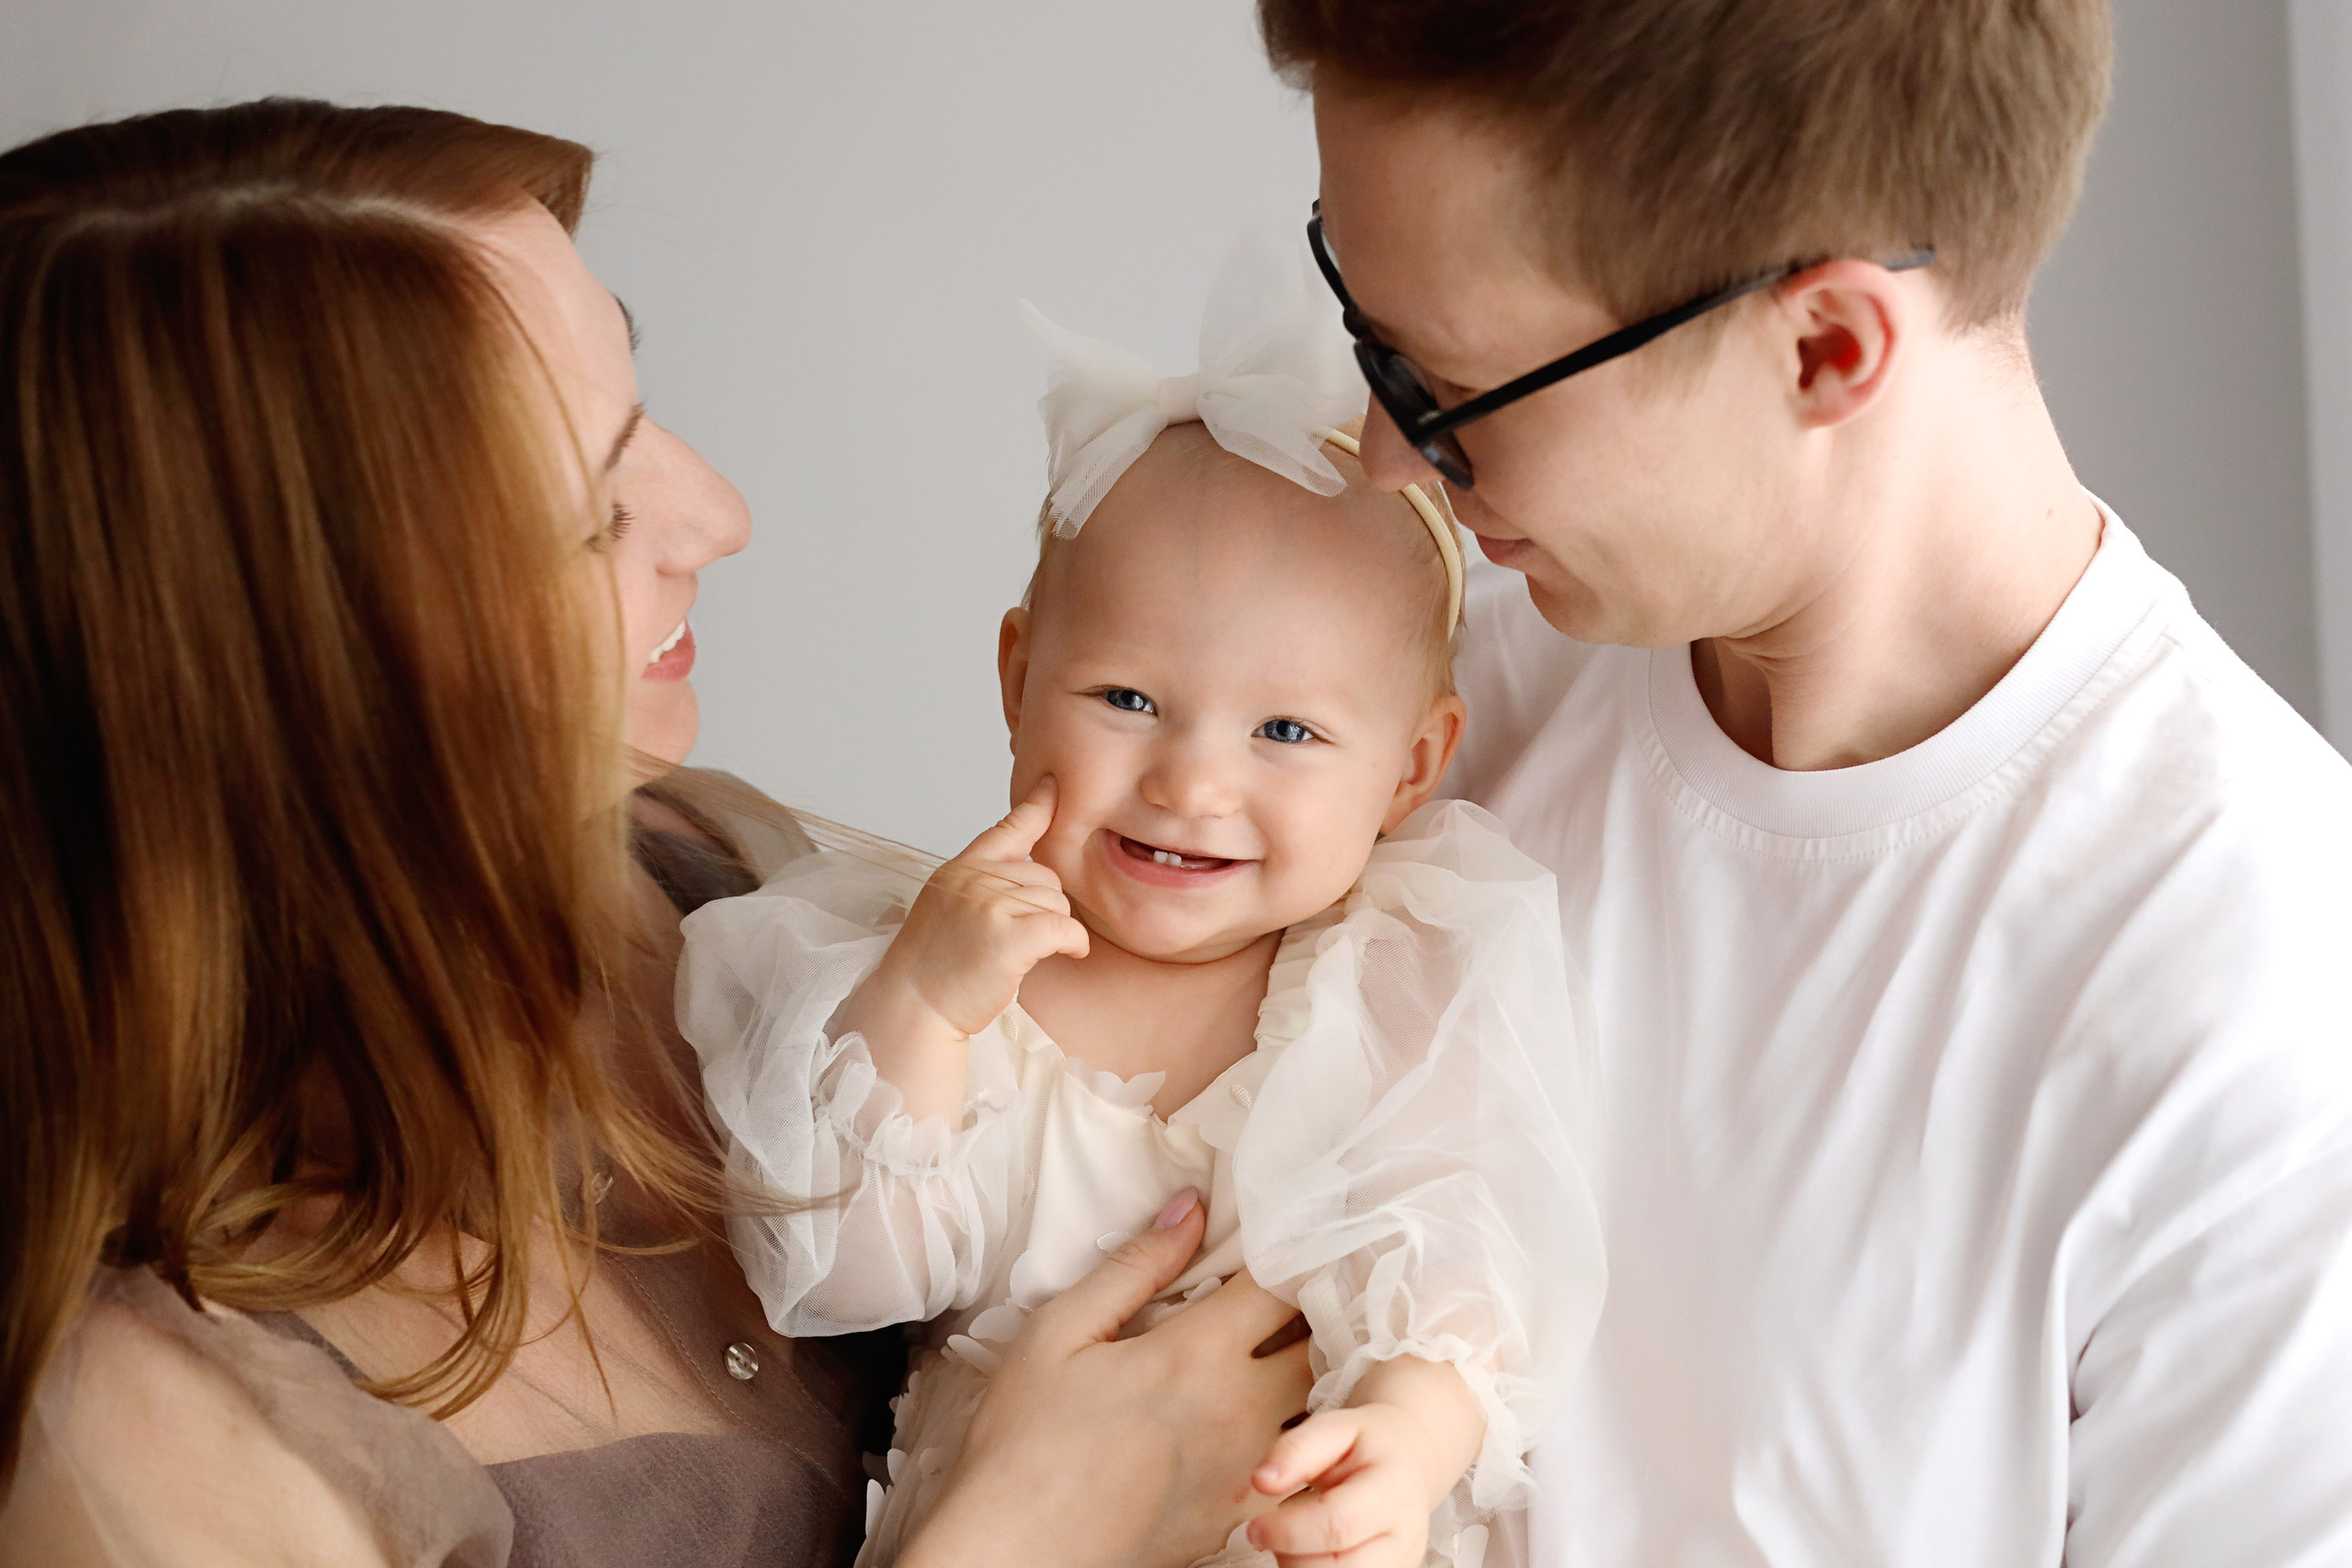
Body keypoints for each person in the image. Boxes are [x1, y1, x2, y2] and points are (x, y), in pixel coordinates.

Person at [0, 97, 1315, 1568]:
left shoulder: (708, 881)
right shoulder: (147, 1454)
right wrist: (1022, 1539)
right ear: (299, 684)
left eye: (644, 407)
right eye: (588, 518)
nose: (719, 515)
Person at [1252, 1, 2352, 1564]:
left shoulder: (2265, 1022)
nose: (1383, 460)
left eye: (1448, 392)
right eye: (1368, 341)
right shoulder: (1413, 728)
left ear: (1829, 347)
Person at [675, 237, 1605, 1568]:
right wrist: (926, 1006)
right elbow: (838, 1278)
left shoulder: (1400, 975)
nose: (1194, 783)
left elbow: (1472, 1274)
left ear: (1411, 768)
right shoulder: (941, 980)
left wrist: (1413, 1434)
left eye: (1286, 730)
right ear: (1016, 678)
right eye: (1126, 700)